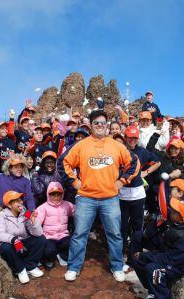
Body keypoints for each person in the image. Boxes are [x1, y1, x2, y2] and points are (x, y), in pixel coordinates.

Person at [58, 110, 139, 282]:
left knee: (115, 234)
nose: (100, 126)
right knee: (80, 233)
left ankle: (117, 266)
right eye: (96, 123)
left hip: (110, 198)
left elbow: (133, 163)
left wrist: (122, 181)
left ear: (107, 125)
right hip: (86, 198)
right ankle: (74, 267)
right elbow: (63, 162)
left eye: (103, 123)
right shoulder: (81, 145)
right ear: (91, 126)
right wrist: (74, 182)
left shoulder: (116, 145)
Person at [129, 180, 184, 298]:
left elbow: (169, 259)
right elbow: (151, 233)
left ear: (181, 219)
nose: (172, 210)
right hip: (166, 250)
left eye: (175, 211)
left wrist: (144, 256)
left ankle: (161, 296)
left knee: (153, 269)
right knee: (136, 258)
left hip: (178, 266)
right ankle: (151, 288)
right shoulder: (176, 221)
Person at [120, 126, 161, 256]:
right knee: (122, 226)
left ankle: (135, 254)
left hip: (138, 194)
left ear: (137, 139)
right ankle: (121, 252)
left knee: (137, 226)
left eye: (135, 138)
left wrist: (146, 172)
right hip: (122, 194)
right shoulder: (120, 150)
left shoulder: (143, 152)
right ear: (125, 138)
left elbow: (158, 162)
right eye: (129, 137)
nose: (132, 140)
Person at [0, 191, 46, 284]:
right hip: (11, 245)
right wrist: (14, 240)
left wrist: (33, 221)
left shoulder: (24, 212)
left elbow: (38, 233)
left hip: (22, 243)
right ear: (9, 205)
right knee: (5, 247)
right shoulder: (3, 215)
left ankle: (30, 266)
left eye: (21, 199)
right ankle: (20, 269)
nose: (21, 202)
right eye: (17, 201)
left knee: (41, 239)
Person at [36, 182, 75, 268]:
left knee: (71, 244)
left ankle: (62, 255)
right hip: (49, 236)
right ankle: (50, 258)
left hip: (63, 235)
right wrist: (31, 219)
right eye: (53, 195)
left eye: (59, 194)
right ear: (48, 195)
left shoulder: (67, 205)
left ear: (62, 194)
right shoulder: (43, 207)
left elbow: (76, 212)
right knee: (49, 251)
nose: (56, 197)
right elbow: (36, 222)